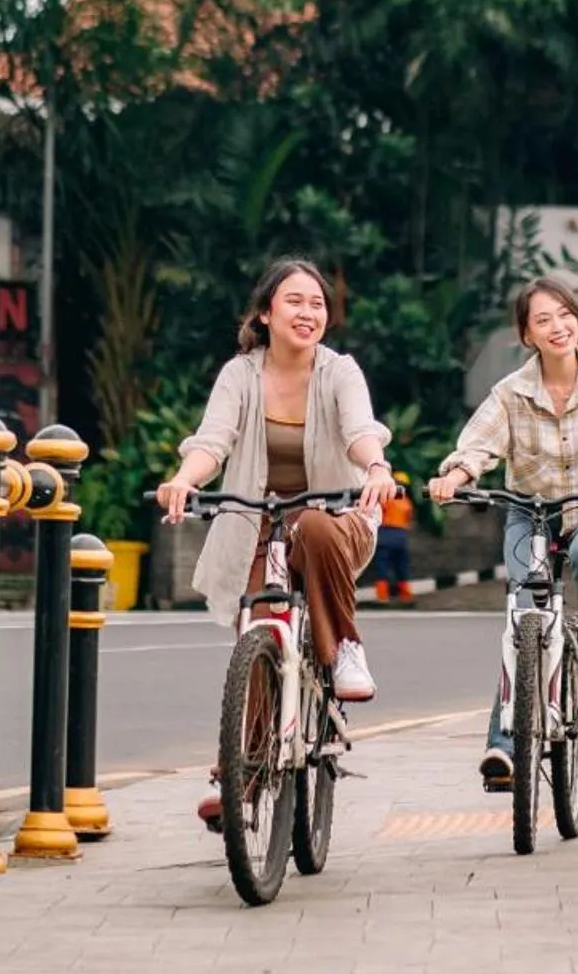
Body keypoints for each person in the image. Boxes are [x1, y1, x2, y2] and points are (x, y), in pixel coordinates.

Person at [155, 258, 397, 826]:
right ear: (265, 313)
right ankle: (244, 769)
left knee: (311, 524)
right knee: (262, 626)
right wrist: (185, 481)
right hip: (258, 520)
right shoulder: (240, 375)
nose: (308, 312)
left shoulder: (341, 373)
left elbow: (361, 431)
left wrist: (379, 467)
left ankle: (345, 651)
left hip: (337, 520)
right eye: (294, 301)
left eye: (316, 303)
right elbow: (212, 441)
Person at [429, 277, 578, 791]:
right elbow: (479, 445)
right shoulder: (510, 393)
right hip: (531, 513)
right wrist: (455, 476)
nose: (557, 326)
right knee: (525, 618)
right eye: (542, 319)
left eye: (564, 314)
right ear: (526, 334)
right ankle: (501, 747)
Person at [372, 473, 415, 602]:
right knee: (401, 566)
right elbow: (408, 521)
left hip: (385, 534)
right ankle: (406, 596)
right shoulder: (407, 502)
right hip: (401, 536)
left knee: (382, 566)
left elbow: (377, 515)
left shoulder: (386, 499)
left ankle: (382, 597)